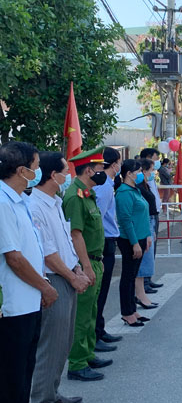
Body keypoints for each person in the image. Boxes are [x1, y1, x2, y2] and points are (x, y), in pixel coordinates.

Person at [0, 142, 57, 403]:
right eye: (36, 167)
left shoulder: (20, 200)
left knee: (24, 375)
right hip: (14, 306)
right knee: (11, 381)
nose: (38, 171)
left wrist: (42, 283)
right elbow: (14, 257)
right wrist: (45, 286)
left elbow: (30, 250)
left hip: (30, 301)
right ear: (22, 170)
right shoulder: (2, 202)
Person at [29, 151, 88, 403]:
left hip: (67, 275)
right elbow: (47, 253)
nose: (68, 176)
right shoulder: (35, 206)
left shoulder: (54, 202)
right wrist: (72, 276)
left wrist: (77, 269)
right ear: (53, 175)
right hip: (53, 279)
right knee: (51, 346)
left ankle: (52, 393)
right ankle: (41, 397)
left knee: (63, 343)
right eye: (65, 171)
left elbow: (64, 243)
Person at [64, 147, 113, 382]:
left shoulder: (88, 193)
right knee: (81, 315)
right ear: (88, 170)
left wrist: (96, 261)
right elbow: (76, 235)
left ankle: (88, 354)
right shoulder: (75, 196)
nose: (103, 172)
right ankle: (77, 363)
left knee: (91, 312)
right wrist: (85, 266)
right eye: (100, 168)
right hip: (85, 263)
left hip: (94, 260)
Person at [115, 159, 152, 328]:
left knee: (133, 275)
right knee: (128, 277)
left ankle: (133, 310)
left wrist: (147, 236)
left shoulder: (135, 189)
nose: (140, 174)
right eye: (137, 172)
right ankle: (127, 313)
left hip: (141, 237)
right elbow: (125, 220)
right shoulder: (123, 193)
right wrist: (135, 243)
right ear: (128, 174)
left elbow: (143, 215)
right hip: (131, 240)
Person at [93, 147, 123, 353]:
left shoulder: (108, 184)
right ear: (114, 165)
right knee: (100, 292)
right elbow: (98, 219)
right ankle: (94, 334)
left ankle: (99, 330)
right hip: (103, 241)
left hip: (109, 239)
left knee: (102, 292)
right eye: (120, 162)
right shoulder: (103, 186)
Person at [136, 159, 159, 309]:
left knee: (147, 261)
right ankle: (140, 295)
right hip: (142, 225)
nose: (152, 173)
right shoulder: (134, 188)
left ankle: (142, 293)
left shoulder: (145, 185)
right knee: (143, 262)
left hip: (148, 223)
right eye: (150, 170)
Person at [139, 148, 162, 291]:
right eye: (155, 158)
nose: (154, 170)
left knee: (152, 249)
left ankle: (148, 278)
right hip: (147, 218)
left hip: (154, 215)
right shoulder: (139, 182)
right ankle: (144, 282)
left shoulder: (149, 179)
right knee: (146, 250)